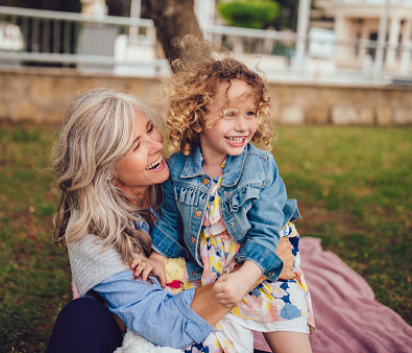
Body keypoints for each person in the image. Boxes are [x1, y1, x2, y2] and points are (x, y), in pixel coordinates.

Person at [46, 89, 295, 353]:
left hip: (207, 326)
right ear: (104, 168)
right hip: (144, 338)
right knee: (81, 317)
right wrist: (253, 272)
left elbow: (261, 226)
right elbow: (165, 324)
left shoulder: (184, 183)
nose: (156, 145)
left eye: (150, 129)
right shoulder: (90, 232)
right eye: (136, 145)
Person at [134, 38, 315, 353]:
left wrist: (247, 277)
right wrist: (158, 259)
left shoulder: (261, 167)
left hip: (264, 268)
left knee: (294, 347)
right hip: (213, 275)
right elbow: (172, 220)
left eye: (250, 113)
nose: (243, 125)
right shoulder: (178, 168)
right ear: (199, 115)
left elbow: (267, 229)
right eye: (230, 114)